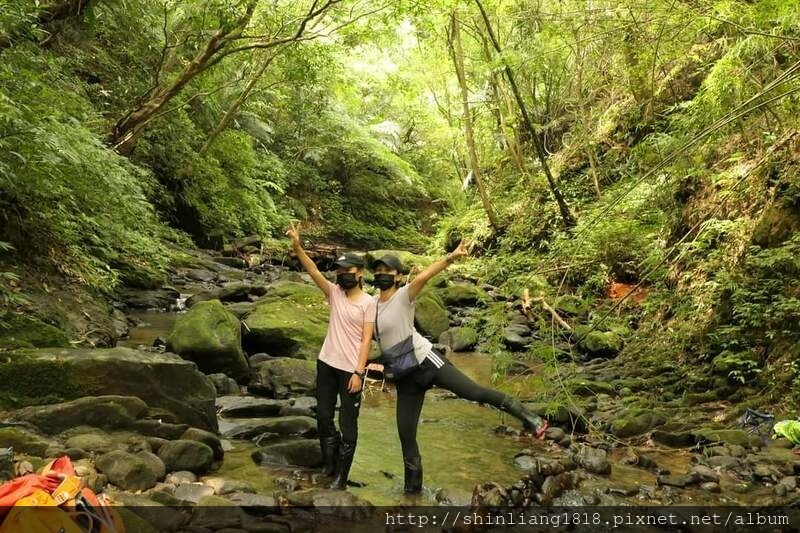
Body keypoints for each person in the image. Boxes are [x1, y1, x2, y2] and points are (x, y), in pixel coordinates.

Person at [370, 241, 548, 494]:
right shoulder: (371, 306)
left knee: (473, 392)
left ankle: (532, 419)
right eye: (378, 271)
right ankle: (412, 494)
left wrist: (451, 257)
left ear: (398, 276)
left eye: (387, 271)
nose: (382, 275)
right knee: (405, 433)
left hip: (427, 361)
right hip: (405, 374)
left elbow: (426, 275)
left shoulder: (404, 295)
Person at [287, 224, 375, 490]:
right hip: (326, 363)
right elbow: (312, 270)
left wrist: (360, 373)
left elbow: (366, 339)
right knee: (323, 418)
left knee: (347, 425)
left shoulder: (368, 303)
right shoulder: (334, 293)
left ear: (359, 273)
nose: (341, 276)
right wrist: (297, 246)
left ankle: (342, 478)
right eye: (339, 272)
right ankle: (329, 468)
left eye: (347, 272)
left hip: (350, 370)